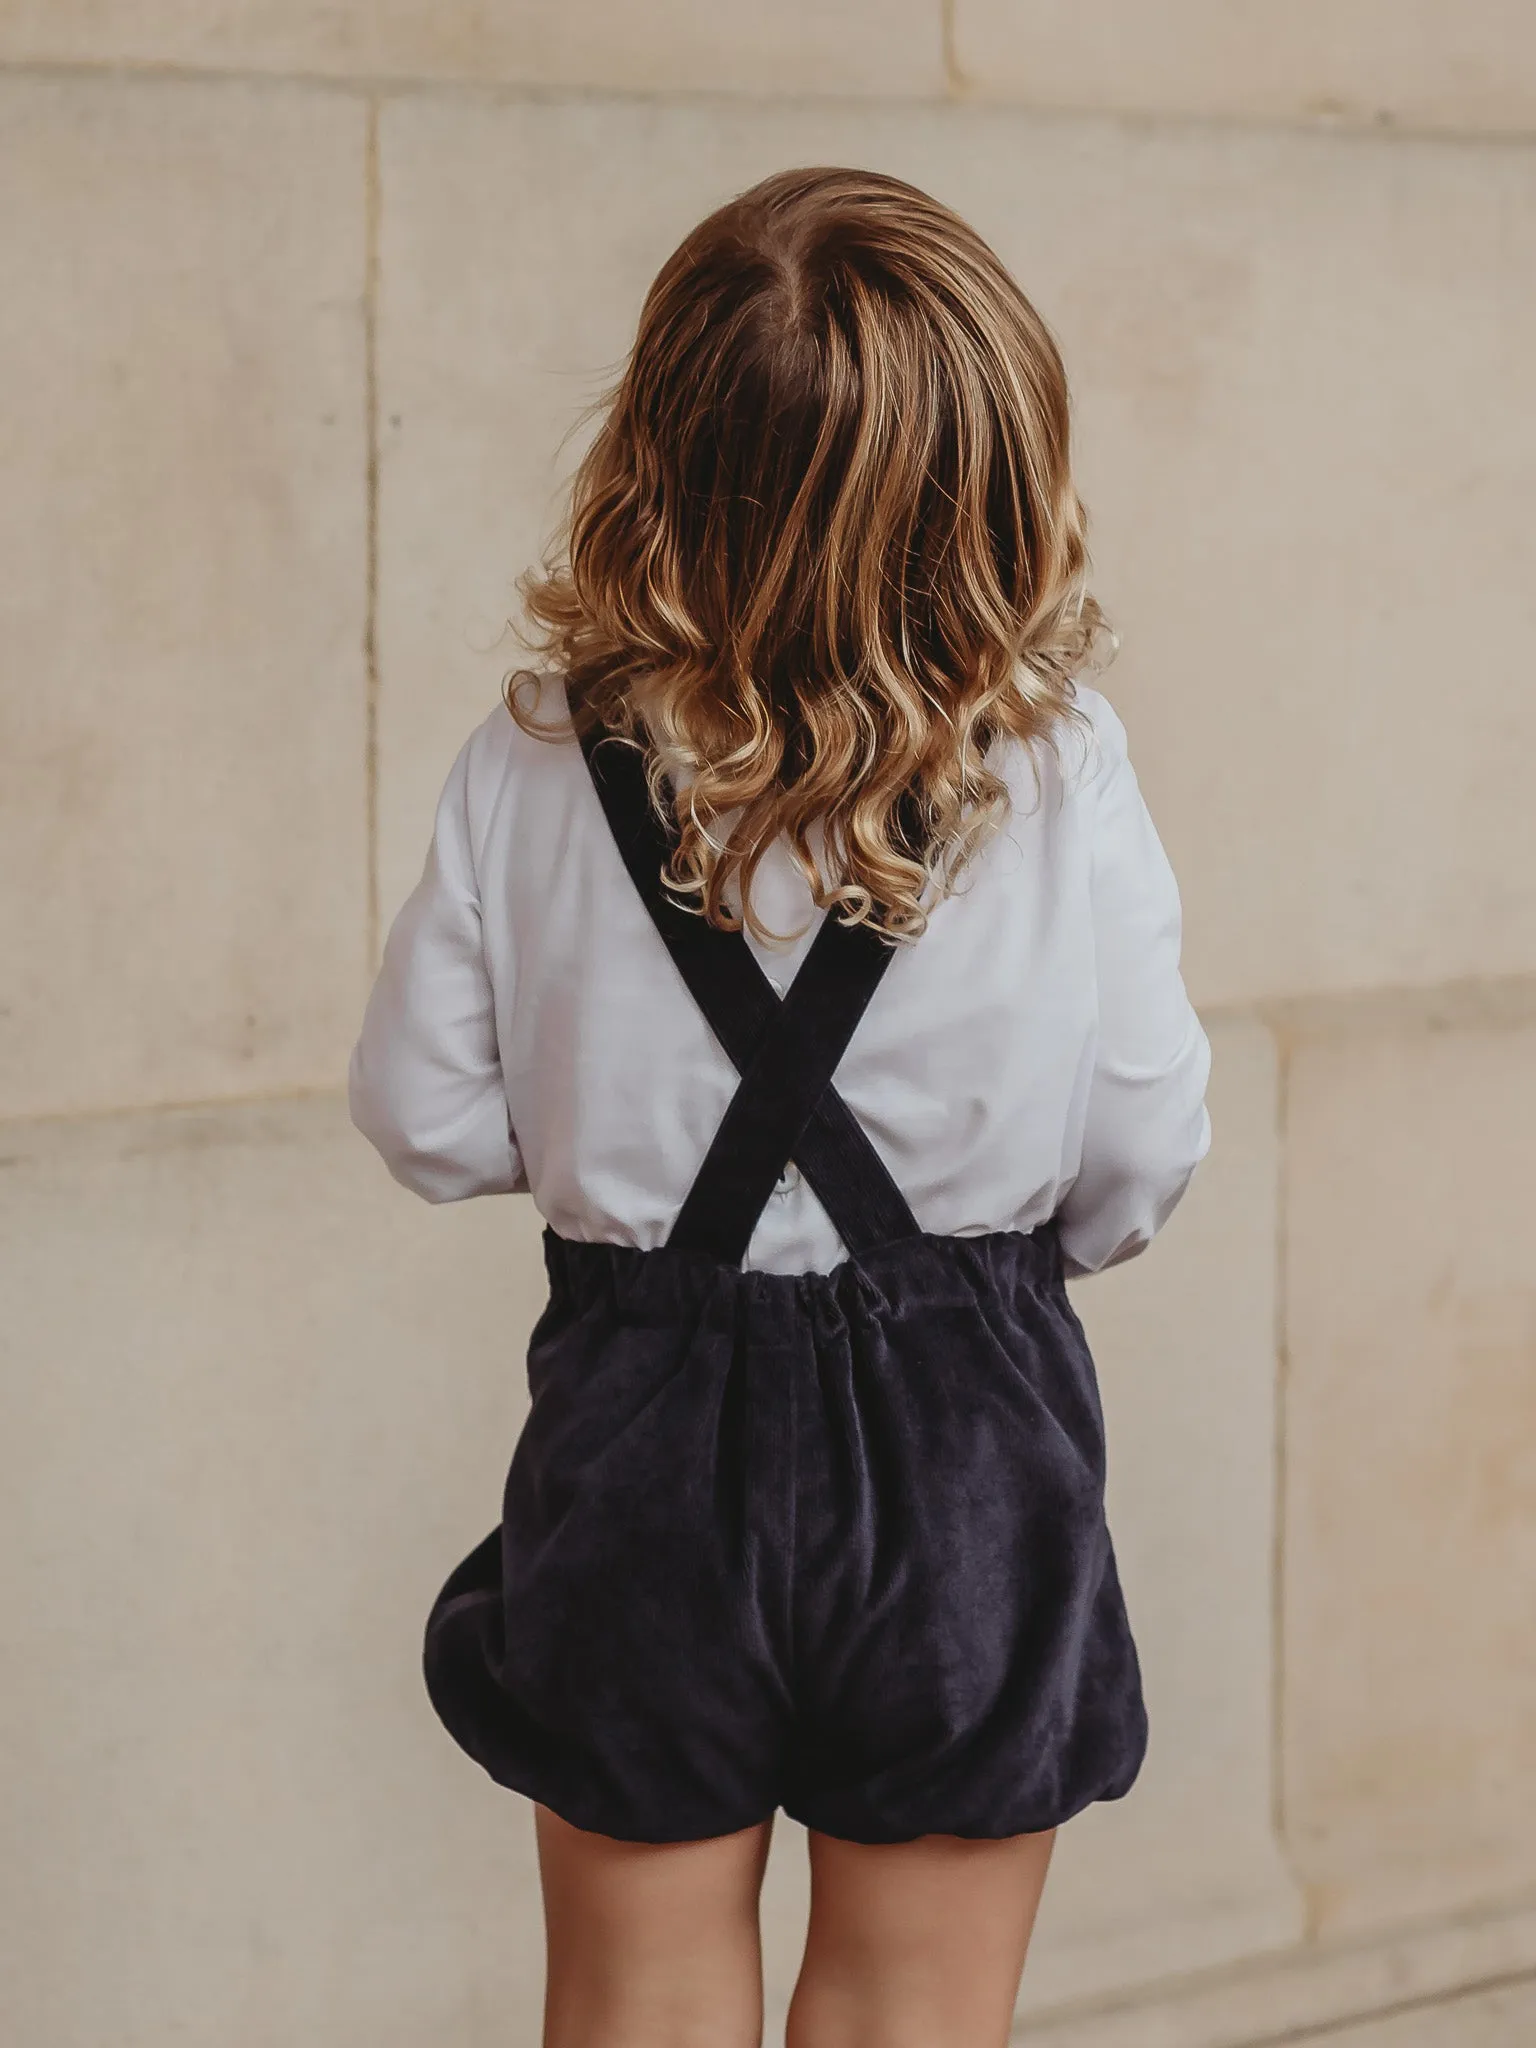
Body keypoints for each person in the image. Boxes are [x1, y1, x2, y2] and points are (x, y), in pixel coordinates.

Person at [350, 165, 1211, 2048]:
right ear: (996, 480)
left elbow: (420, 1112)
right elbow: (1143, 1147)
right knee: (915, 2018)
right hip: (966, 1430)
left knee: (638, 2007)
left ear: (657, 450)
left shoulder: (538, 757)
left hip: (644, 1420)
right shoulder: (1060, 773)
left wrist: (605, 1163)